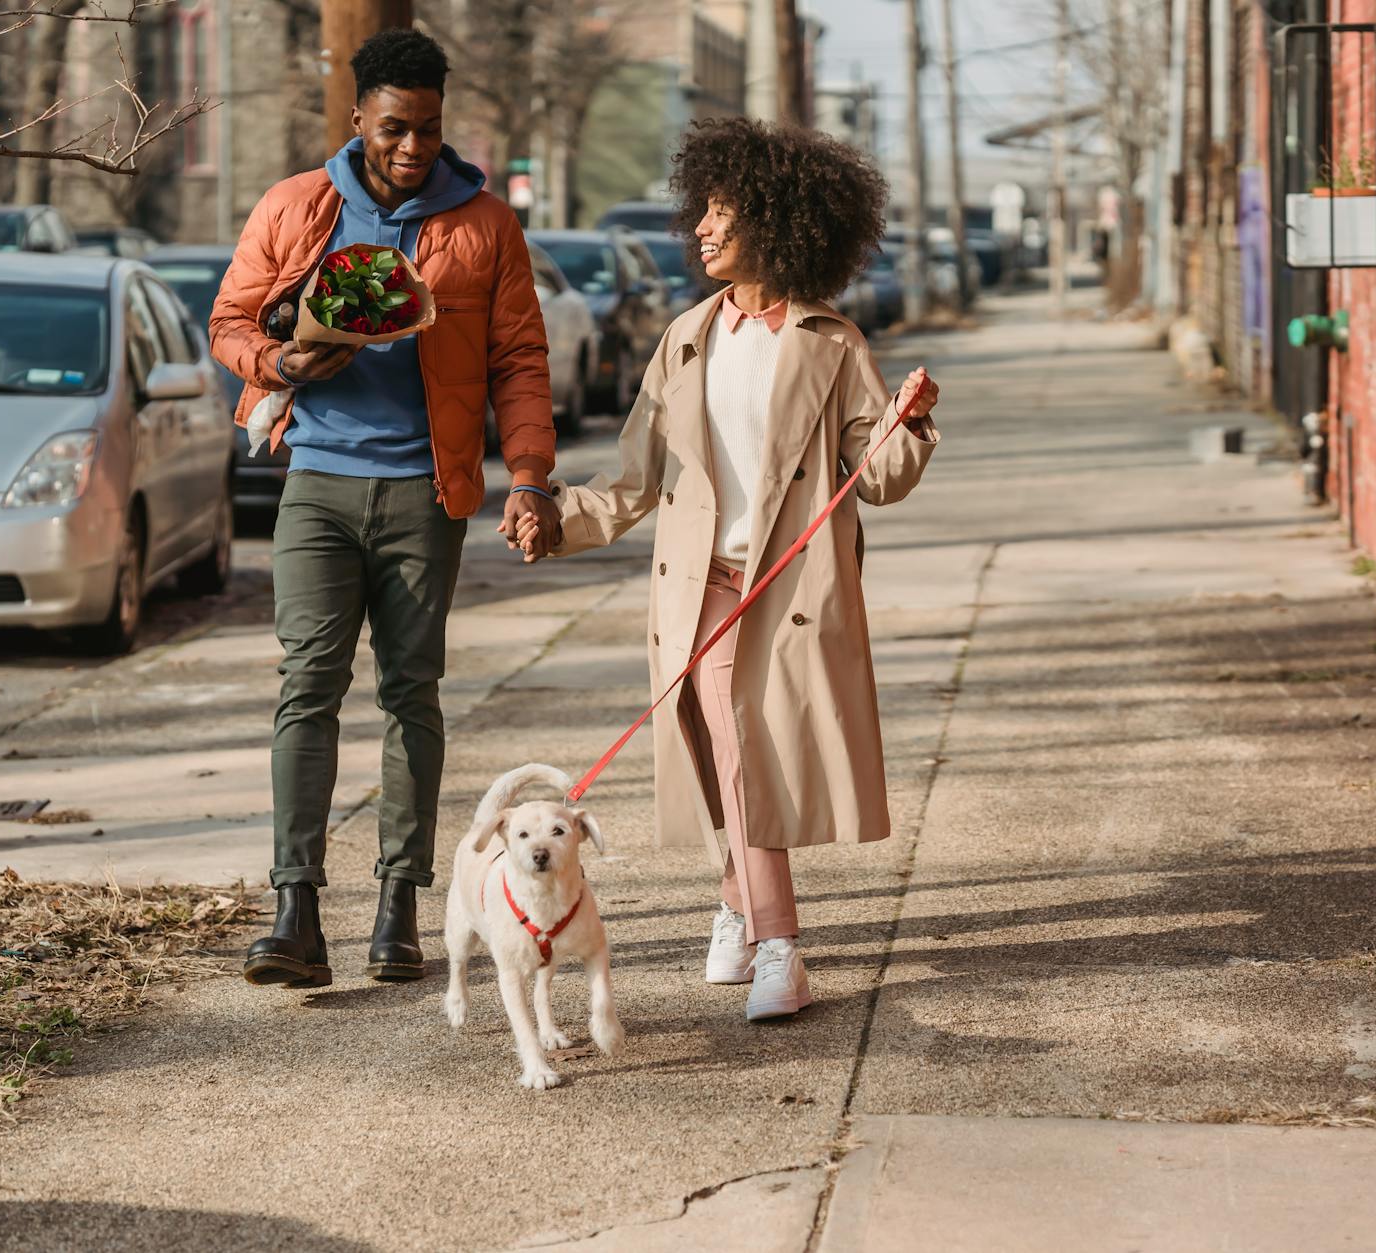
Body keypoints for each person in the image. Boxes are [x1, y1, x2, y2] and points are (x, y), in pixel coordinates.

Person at [516, 118, 941, 1021]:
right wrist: (556, 522)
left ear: (781, 224)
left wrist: (908, 420)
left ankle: (774, 937)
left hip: (786, 588)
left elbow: (882, 480)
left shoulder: (832, 344)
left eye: (724, 210)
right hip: (698, 583)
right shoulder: (685, 338)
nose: (701, 228)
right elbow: (633, 481)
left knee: (741, 751)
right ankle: (740, 909)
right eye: (701, 209)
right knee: (723, 750)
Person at [211, 28, 563, 988]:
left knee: (411, 692)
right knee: (307, 685)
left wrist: (528, 474)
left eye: (429, 130)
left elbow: (519, 360)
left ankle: (399, 907)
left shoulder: (485, 224)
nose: (412, 147)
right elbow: (229, 322)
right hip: (316, 481)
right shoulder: (299, 206)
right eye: (395, 127)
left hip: (427, 490)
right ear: (359, 114)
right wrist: (279, 361)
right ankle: (295, 911)